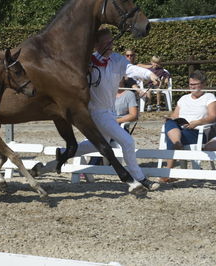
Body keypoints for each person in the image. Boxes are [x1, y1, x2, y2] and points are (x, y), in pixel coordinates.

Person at [32, 28, 161, 194]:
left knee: (97, 146)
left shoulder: (118, 60)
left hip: (109, 111)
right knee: (127, 142)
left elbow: (133, 69)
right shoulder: (87, 62)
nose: (110, 46)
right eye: (105, 43)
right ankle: (140, 179)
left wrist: (150, 75)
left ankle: (55, 159)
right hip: (96, 112)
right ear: (96, 45)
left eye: (111, 42)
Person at [160, 70, 216, 182]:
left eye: (195, 84)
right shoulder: (183, 98)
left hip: (197, 131)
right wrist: (170, 118)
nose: (192, 87)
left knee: (171, 134)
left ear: (203, 84)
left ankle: (168, 171)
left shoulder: (209, 97)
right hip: (180, 129)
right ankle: (177, 143)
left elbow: (213, 116)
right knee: (170, 123)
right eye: (191, 84)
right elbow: (175, 116)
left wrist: (197, 122)